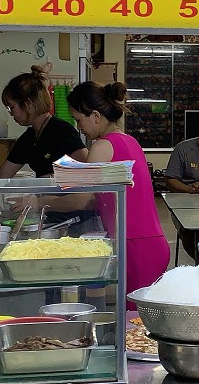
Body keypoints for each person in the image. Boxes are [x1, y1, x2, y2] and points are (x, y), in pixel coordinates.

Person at [67, 81, 170, 303]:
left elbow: (81, 199)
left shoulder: (102, 146)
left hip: (136, 247)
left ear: (95, 115)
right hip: (149, 244)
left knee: (135, 326)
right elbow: (102, 198)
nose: (79, 128)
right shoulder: (129, 141)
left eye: (79, 120)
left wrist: (39, 202)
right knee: (136, 321)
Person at [0, 66, 89, 179]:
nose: (11, 113)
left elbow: (87, 169)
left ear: (27, 104)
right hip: (44, 195)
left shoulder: (62, 131)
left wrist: (50, 177)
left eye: (11, 107)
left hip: (67, 196)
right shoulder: (29, 138)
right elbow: (2, 175)